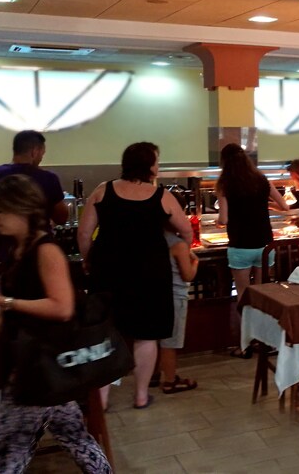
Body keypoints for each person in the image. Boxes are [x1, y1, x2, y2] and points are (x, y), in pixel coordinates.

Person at [0, 175, 111, 473]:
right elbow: (6, 318)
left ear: (23, 210)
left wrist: (2, 302)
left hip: (39, 372)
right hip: (45, 370)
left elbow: (62, 307)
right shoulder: (20, 251)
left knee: (2, 455)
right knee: (76, 439)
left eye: (1, 211)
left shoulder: (45, 251)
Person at [78, 142, 192, 410]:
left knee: (104, 334)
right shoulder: (161, 196)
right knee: (146, 335)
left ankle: (102, 399)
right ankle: (140, 396)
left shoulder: (102, 190)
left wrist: (88, 259)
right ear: (150, 165)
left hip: (107, 271)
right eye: (157, 161)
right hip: (150, 273)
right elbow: (186, 231)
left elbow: (83, 234)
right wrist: (179, 247)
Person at [0, 130, 69, 262]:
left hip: (1, 251)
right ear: (35, 151)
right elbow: (62, 217)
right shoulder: (48, 178)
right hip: (37, 250)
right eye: (42, 154)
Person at [216, 144, 289, 299]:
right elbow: (284, 206)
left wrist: (219, 222)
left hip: (240, 245)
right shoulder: (262, 179)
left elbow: (223, 219)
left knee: (243, 294)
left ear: (224, 161)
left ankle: (245, 323)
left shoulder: (224, 183)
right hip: (265, 245)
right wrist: (264, 204)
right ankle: (260, 323)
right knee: (261, 293)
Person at [155, 228, 200, 394]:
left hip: (154, 294)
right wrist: (195, 263)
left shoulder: (151, 238)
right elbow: (187, 275)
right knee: (170, 342)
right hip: (175, 296)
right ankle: (170, 380)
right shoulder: (177, 244)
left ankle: (153, 374)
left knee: (154, 338)